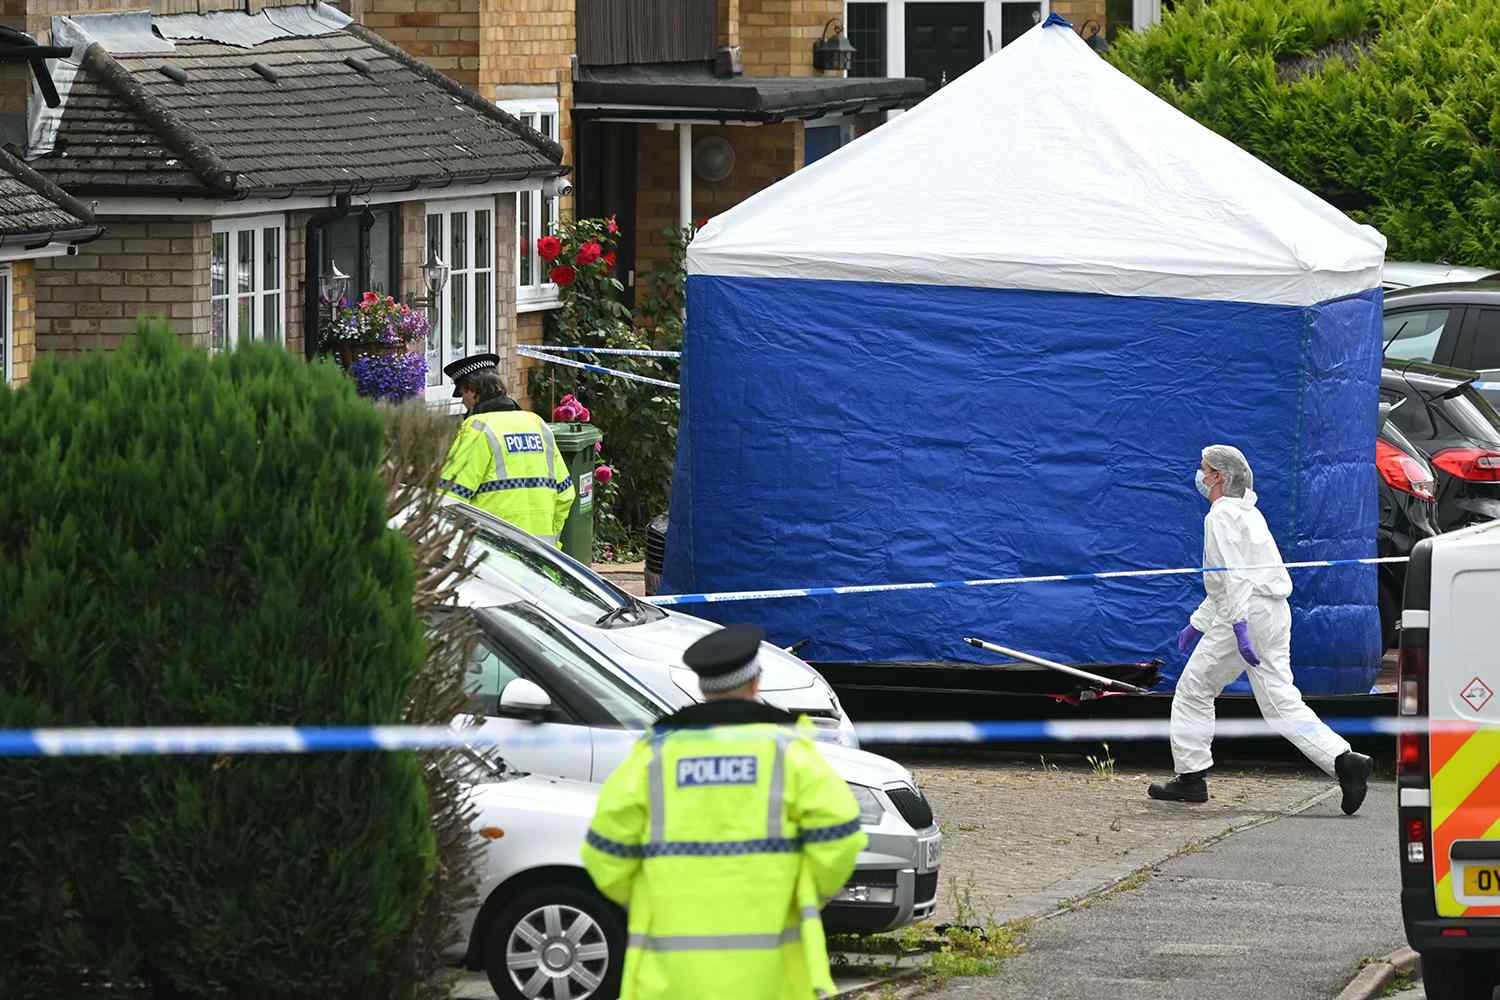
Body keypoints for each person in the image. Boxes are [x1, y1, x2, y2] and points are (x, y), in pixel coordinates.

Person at [581, 624, 866, 1000]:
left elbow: (604, 852)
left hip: (670, 981)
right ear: (755, 683)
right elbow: (841, 837)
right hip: (772, 979)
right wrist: (803, 891)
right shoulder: (789, 752)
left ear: (702, 688)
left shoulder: (654, 756)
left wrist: (651, 895)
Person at [1149, 444, 1374, 814]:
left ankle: (1191, 778)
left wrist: (1237, 626)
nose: (1200, 475)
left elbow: (1232, 578)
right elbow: (1232, 581)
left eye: (1204, 469)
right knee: (1280, 701)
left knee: (1193, 690)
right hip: (1273, 611)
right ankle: (1344, 760)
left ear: (1218, 476)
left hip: (1248, 613)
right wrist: (1198, 624)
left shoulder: (1220, 516)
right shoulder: (1250, 514)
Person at [437, 353, 575, 547]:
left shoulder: (478, 427)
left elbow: (449, 495)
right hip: (543, 554)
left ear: (473, 390)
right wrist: (551, 536)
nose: (463, 403)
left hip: (493, 552)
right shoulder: (537, 424)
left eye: (463, 394)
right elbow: (565, 493)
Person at [442, 352, 520, 416]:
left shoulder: (476, 425)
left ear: (471, 388)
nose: (463, 401)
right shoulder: (525, 416)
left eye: (462, 394)